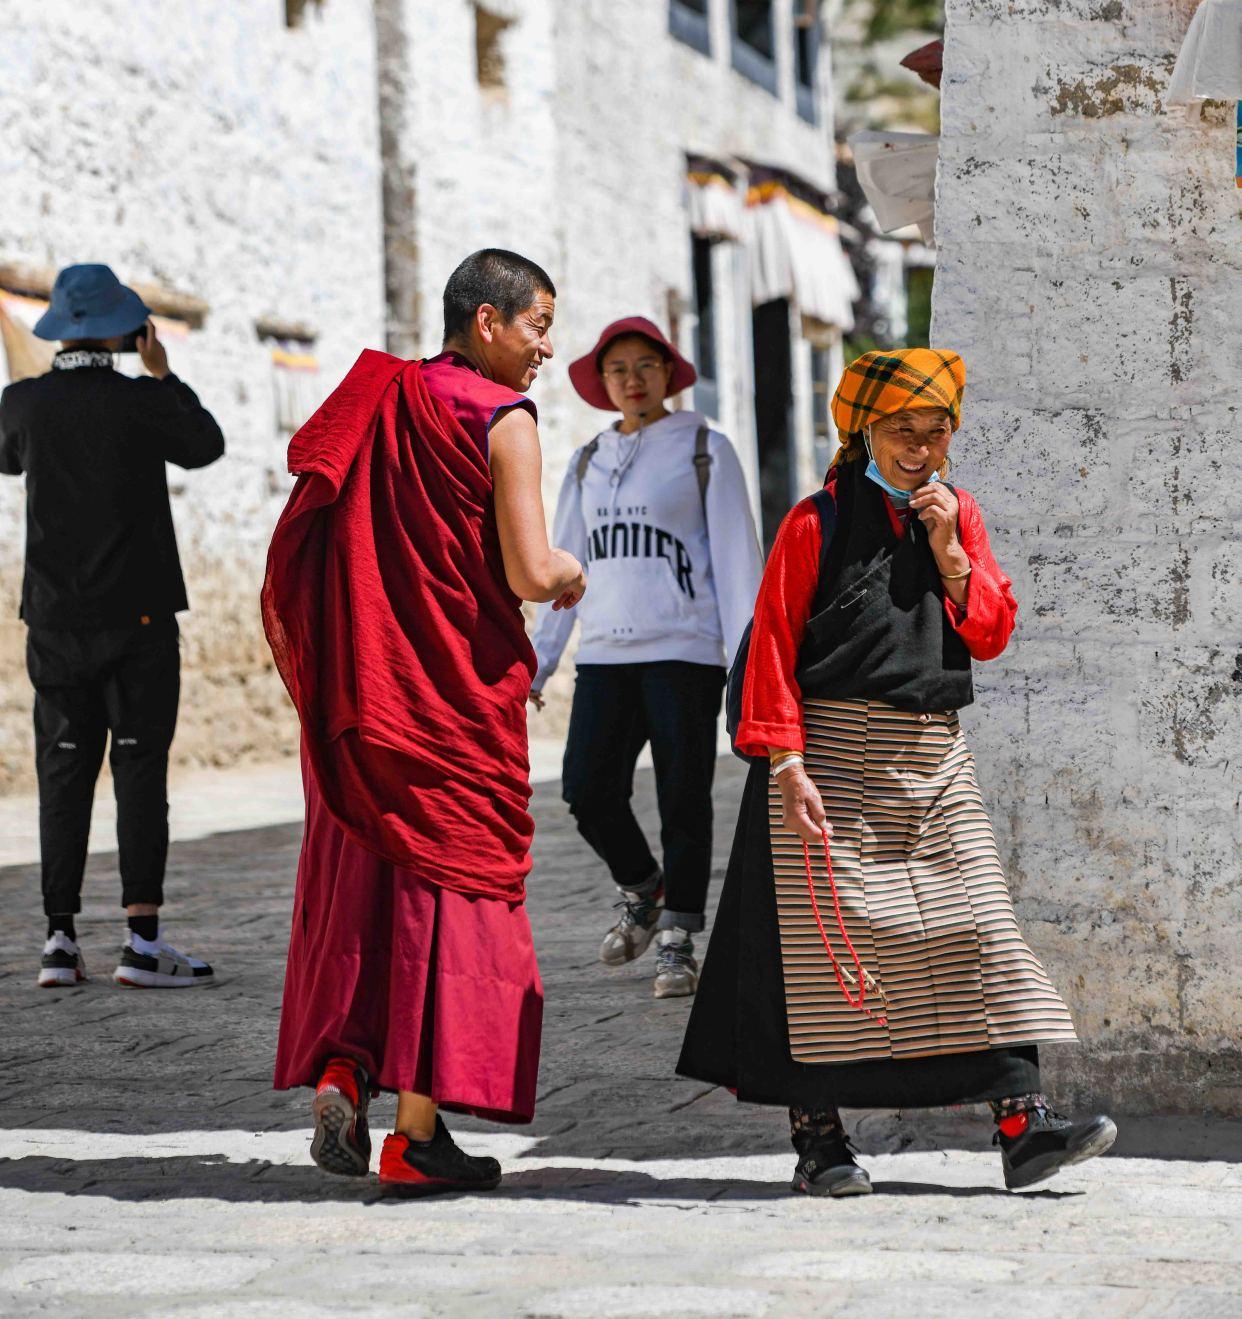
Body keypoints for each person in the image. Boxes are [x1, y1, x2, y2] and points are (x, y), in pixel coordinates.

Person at [677, 347, 1118, 1195]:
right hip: (829, 759)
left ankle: (1024, 1127)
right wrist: (786, 763)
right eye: (900, 428)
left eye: (935, 428)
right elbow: (768, 640)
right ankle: (820, 1142)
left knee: (978, 928)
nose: (919, 446)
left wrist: (950, 546)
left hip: (932, 758)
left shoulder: (959, 514)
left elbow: (988, 631)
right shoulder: (816, 520)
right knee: (820, 954)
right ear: (862, 429)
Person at [265, 249, 585, 1196]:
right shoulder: (504, 419)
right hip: (455, 693)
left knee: (365, 887)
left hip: (372, 694)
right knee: (446, 896)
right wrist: (573, 570)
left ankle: (342, 1068)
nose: (545, 347)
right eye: (536, 325)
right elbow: (529, 571)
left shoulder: (380, 399)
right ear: (485, 321)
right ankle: (414, 1133)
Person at [0, 263, 225, 990]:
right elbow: (206, 443)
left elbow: (6, 457)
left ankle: (59, 941)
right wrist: (162, 375)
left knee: (61, 775)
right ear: (128, 331)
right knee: (137, 772)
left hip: (56, 623)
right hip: (140, 620)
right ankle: (141, 940)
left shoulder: (24, 402)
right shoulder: (141, 401)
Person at [531, 316, 761, 999]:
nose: (632, 380)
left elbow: (737, 559)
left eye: (645, 366)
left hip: (684, 651)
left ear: (668, 373)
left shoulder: (704, 448)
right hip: (604, 651)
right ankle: (644, 886)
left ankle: (678, 937)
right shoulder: (585, 460)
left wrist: (750, 660)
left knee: (683, 795)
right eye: (618, 370)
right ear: (602, 384)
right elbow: (560, 570)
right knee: (585, 788)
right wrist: (539, 661)